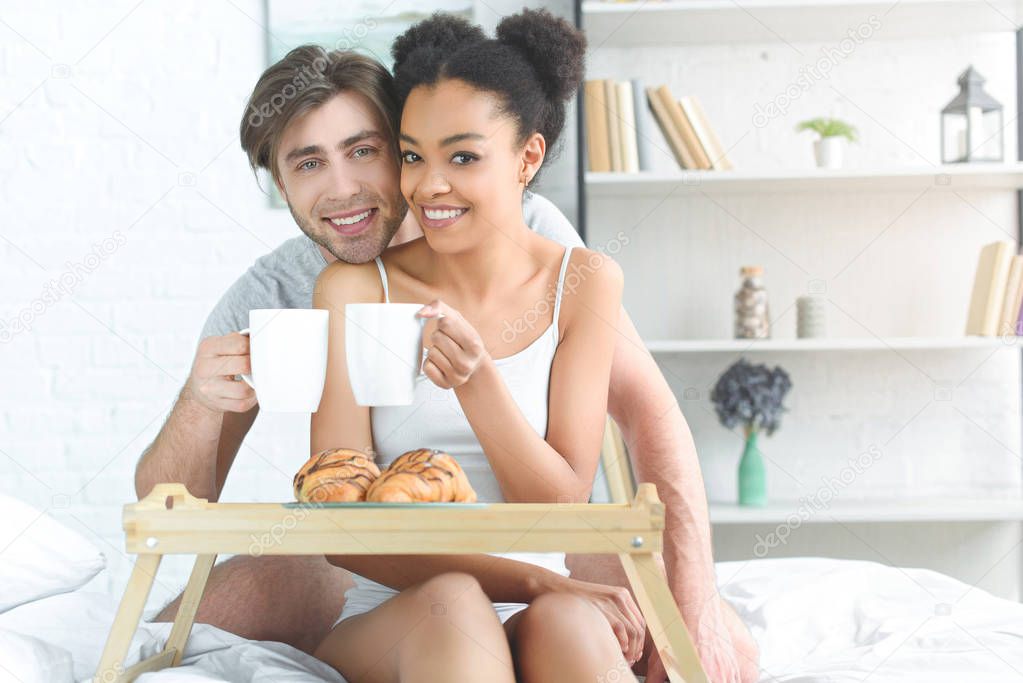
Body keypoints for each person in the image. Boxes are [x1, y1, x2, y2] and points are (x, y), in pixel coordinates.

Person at [133, 16, 759, 683]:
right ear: (279, 181)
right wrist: (202, 402)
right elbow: (187, 503)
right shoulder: (329, 287)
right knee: (435, 602)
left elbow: (634, 430)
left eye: (364, 150)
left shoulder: (552, 252)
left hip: (541, 573)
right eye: (308, 162)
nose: (343, 187)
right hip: (400, 596)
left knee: (584, 619)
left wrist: (689, 617)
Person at [308, 10, 633, 681]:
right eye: (411, 156)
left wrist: (479, 384)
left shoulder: (584, 283)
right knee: (457, 605)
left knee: (574, 626)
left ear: (527, 157)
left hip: (538, 608)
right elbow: (339, 528)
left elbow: (560, 510)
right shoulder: (354, 289)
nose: (428, 185)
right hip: (397, 616)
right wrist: (544, 582)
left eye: (462, 156)